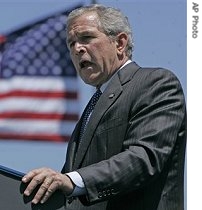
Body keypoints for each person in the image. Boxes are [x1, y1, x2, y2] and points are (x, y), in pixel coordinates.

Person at [22, 4, 186, 210]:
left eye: (86, 38)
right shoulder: (93, 106)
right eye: (71, 43)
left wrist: (72, 180)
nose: (76, 49)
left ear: (119, 43)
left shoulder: (155, 83)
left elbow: (145, 157)